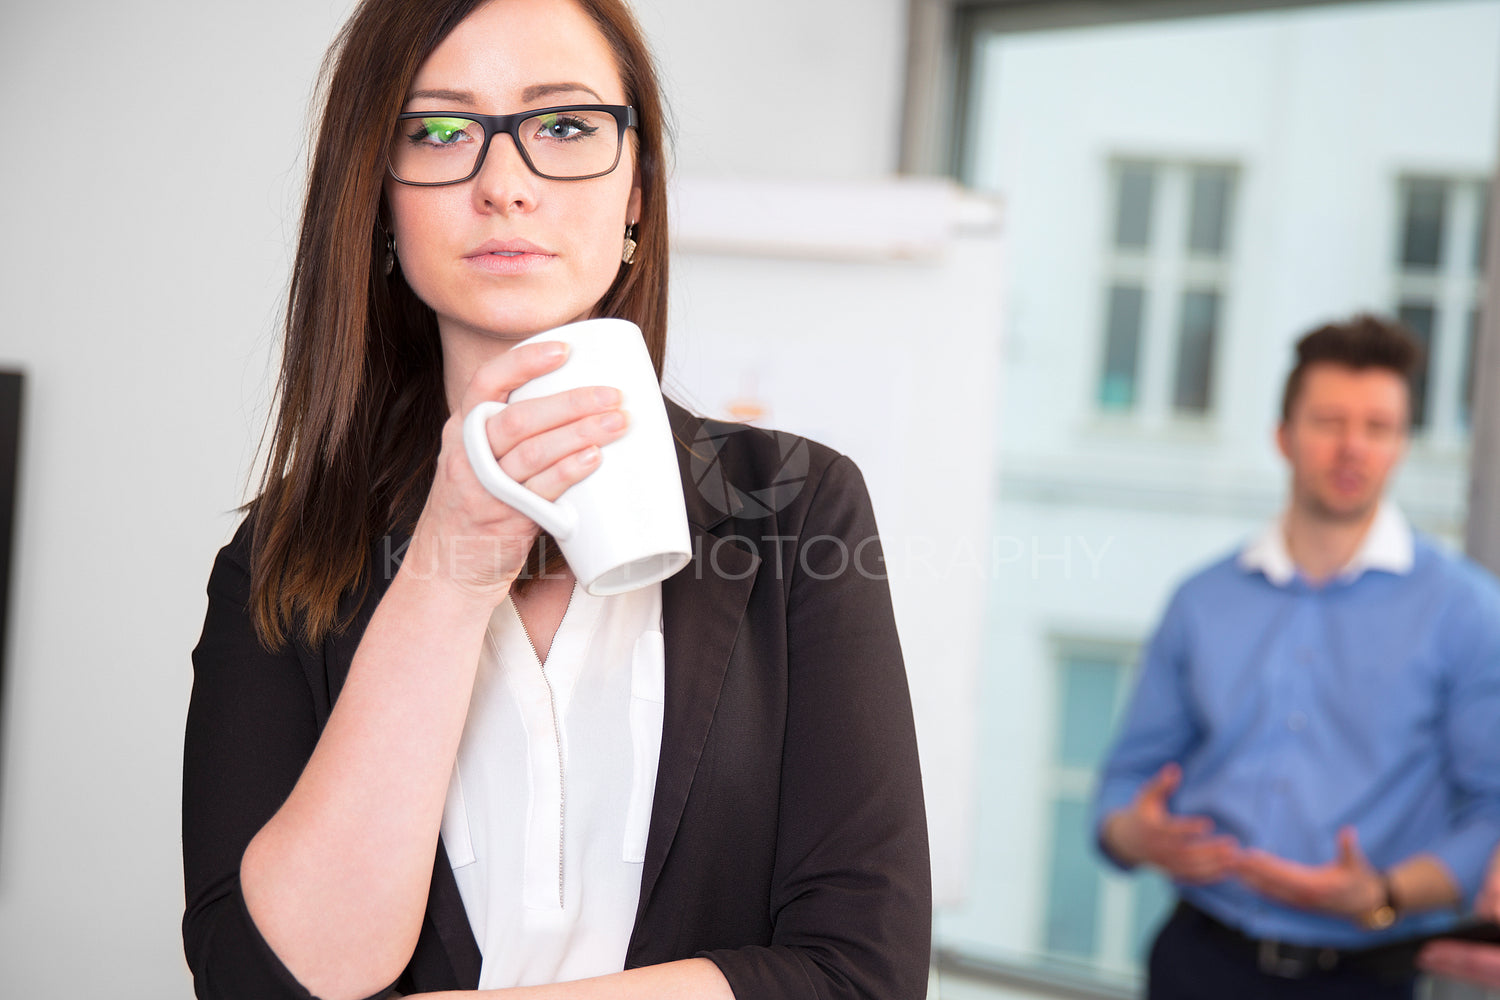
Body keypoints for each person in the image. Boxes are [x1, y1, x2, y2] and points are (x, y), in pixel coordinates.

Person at [179, 2, 931, 999]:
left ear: (636, 195)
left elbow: (861, 974)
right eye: (439, 130)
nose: (505, 185)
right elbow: (265, 982)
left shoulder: (795, 508)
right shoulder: (282, 555)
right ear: (378, 208)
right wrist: (447, 576)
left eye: (566, 126)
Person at [1092, 314, 1500, 999]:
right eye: (1329, 421)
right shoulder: (1201, 600)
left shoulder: (1469, 612)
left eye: (1378, 427)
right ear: (1283, 436)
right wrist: (1138, 835)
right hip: (1199, 961)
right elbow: (1120, 786)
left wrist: (1382, 892)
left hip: (1368, 974)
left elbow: (1493, 807)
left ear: (1401, 444)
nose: (1352, 448)